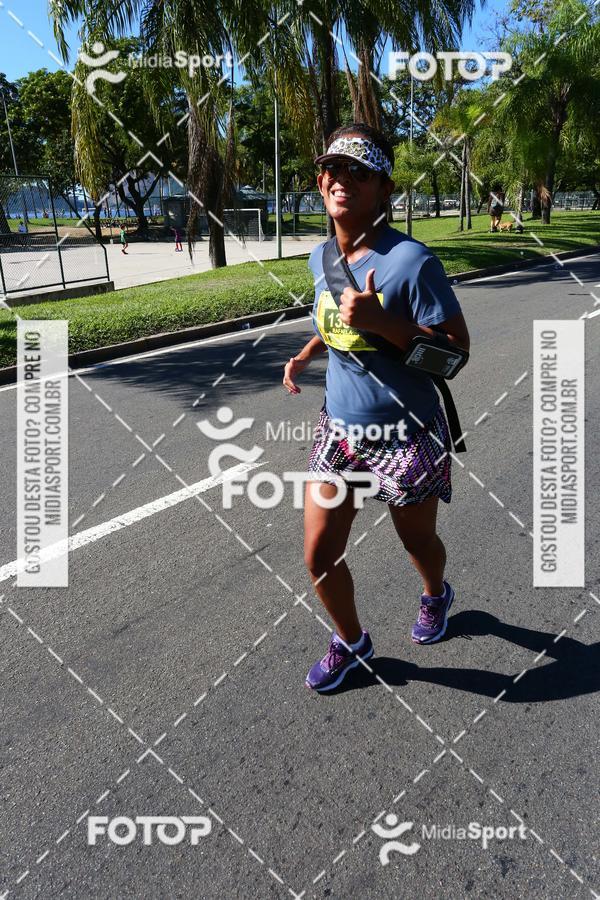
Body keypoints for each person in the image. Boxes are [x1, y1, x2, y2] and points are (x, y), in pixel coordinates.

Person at [282, 122, 470, 693]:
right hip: (339, 432)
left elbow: (456, 356)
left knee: (416, 542)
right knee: (319, 554)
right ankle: (352, 643)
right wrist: (308, 351)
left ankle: (435, 594)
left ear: (384, 189)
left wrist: (384, 321)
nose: (344, 179)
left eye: (359, 171)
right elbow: (338, 318)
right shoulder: (321, 256)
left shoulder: (411, 262)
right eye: (335, 169)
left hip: (407, 434)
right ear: (320, 181)